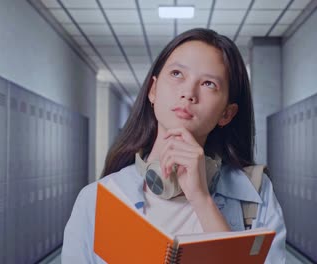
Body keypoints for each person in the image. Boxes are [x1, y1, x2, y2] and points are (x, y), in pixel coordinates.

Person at [61, 28, 286, 263]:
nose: (188, 93)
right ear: (153, 90)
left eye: (209, 83)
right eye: (177, 73)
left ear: (227, 114)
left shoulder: (255, 194)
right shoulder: (98, 199)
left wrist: (201, 199)